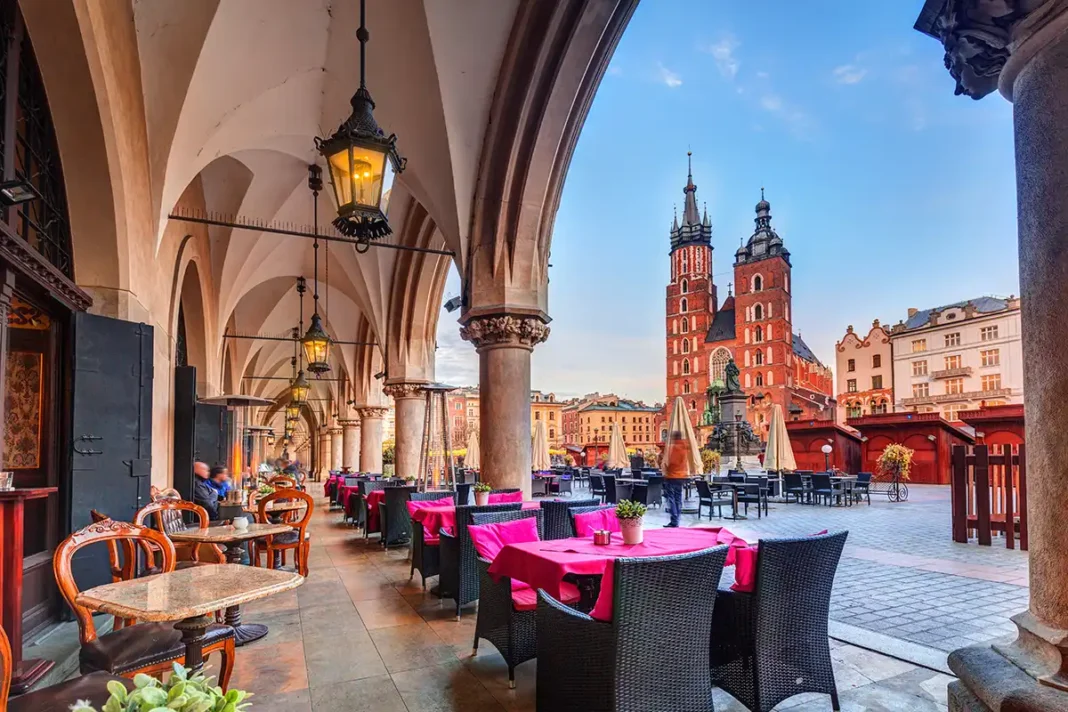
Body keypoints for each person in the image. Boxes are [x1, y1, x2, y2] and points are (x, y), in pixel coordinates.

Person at [663, 431, 689, 528]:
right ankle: (677, 518)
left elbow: (673, 462)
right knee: (678, 498)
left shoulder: (676, 448)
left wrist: (667, 468)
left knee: (671, 498)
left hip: (673, 476)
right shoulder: (684, 447)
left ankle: (674, 520)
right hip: (682, 476)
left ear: (675, 438)